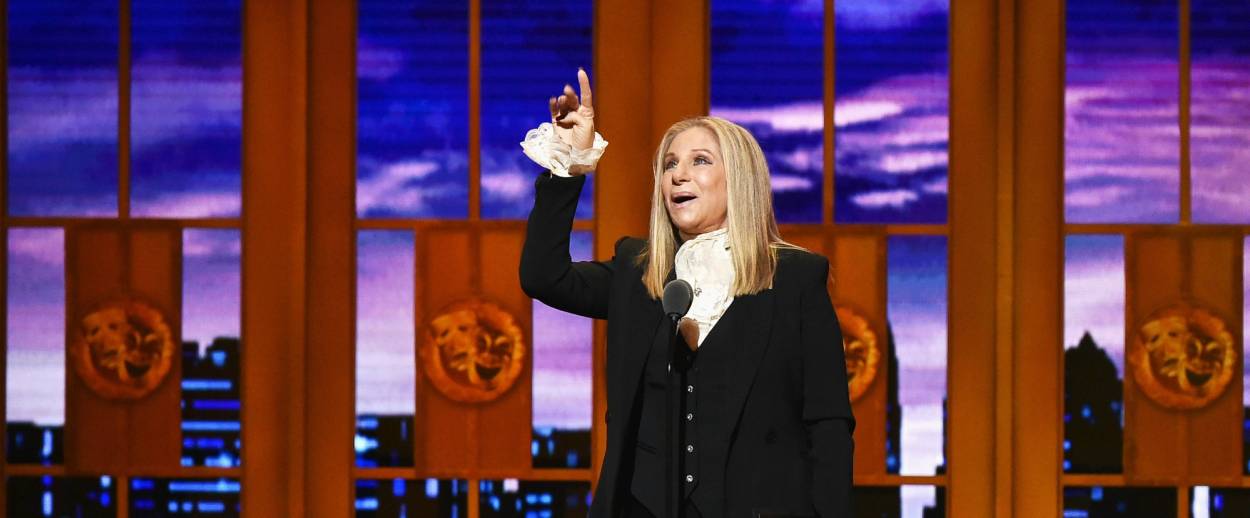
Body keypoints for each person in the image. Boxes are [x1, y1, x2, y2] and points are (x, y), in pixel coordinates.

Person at [520, 69, 854, 518]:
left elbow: (828, 423)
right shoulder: (638, 273)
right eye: (670, 165)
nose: (679, 175)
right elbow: (544, 276)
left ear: (739, 178)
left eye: (700, 161)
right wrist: (569, 166)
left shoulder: (796, 279)